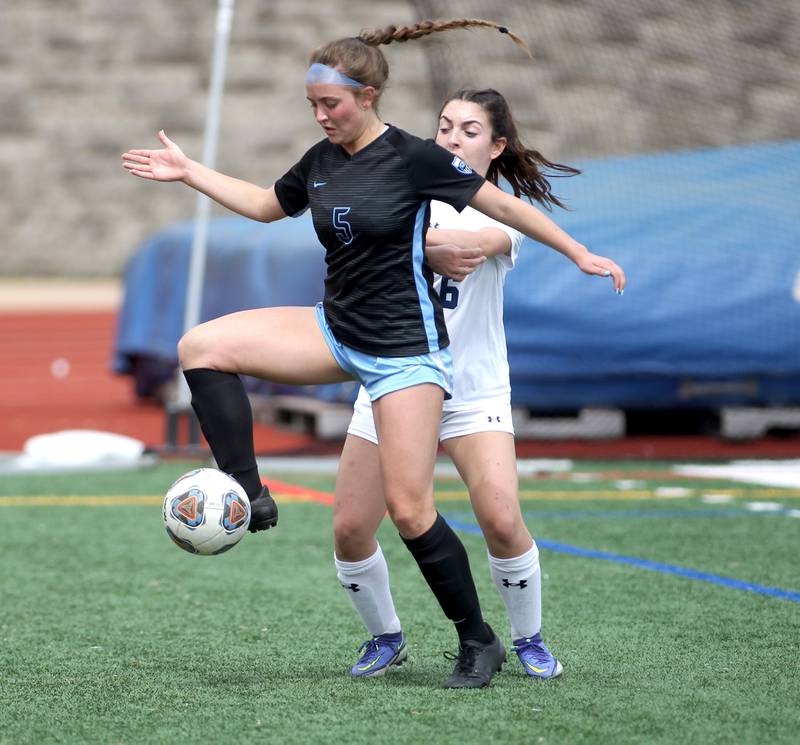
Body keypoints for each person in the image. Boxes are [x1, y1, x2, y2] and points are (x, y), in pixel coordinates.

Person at [122, 19, 625, 689]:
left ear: (367, 95)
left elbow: (503, 206)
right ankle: (248, 489)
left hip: (404, 354)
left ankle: (480, 640)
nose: (320, 115)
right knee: (202, 347)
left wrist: (579, 252)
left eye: (330, 104)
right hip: (338, 330)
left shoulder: (415, 157)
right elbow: (267, 205)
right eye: (313, 105)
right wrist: (188, 172)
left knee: (411, 508)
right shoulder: (322, 161)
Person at [334, 87, 589, 683]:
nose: (450, 137)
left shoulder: (502, 209)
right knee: (349, 528)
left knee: (501, 519)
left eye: (469, 131)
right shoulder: (402, 190)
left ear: (497, 146)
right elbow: (360, 240)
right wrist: (403, 245)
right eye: (445, 125)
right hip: (393, 381)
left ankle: (528, 638)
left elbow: (477, 243)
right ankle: (386, 637)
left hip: (472, 392)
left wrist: (401, 247)